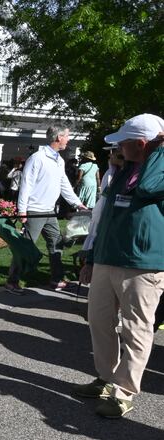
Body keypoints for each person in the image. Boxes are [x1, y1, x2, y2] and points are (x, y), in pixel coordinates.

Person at [74, 113, 164, 418]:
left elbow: (149, 187)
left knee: (136, 328)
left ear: (142, 143)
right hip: (109, 258)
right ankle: (106, 377)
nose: (117, 149)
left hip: (143, 264)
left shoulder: (158, 168)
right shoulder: (124, 169)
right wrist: (92, 256)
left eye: (123, 143)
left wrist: (160, 149)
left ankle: (124, 391)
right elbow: (106, 215)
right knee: (98, 320)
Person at [5, 125, 86, 294]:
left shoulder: (59, 160)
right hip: (35, 211)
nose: (68, 139)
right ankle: (12, 281)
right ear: (58, 138)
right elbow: (26, 184)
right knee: (26, 248)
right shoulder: (37, 158)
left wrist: (77, 204)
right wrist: (22, 210)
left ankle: (56, 279)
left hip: (50, 212)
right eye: (66, 136)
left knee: (56, 245)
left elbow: (64, 185)